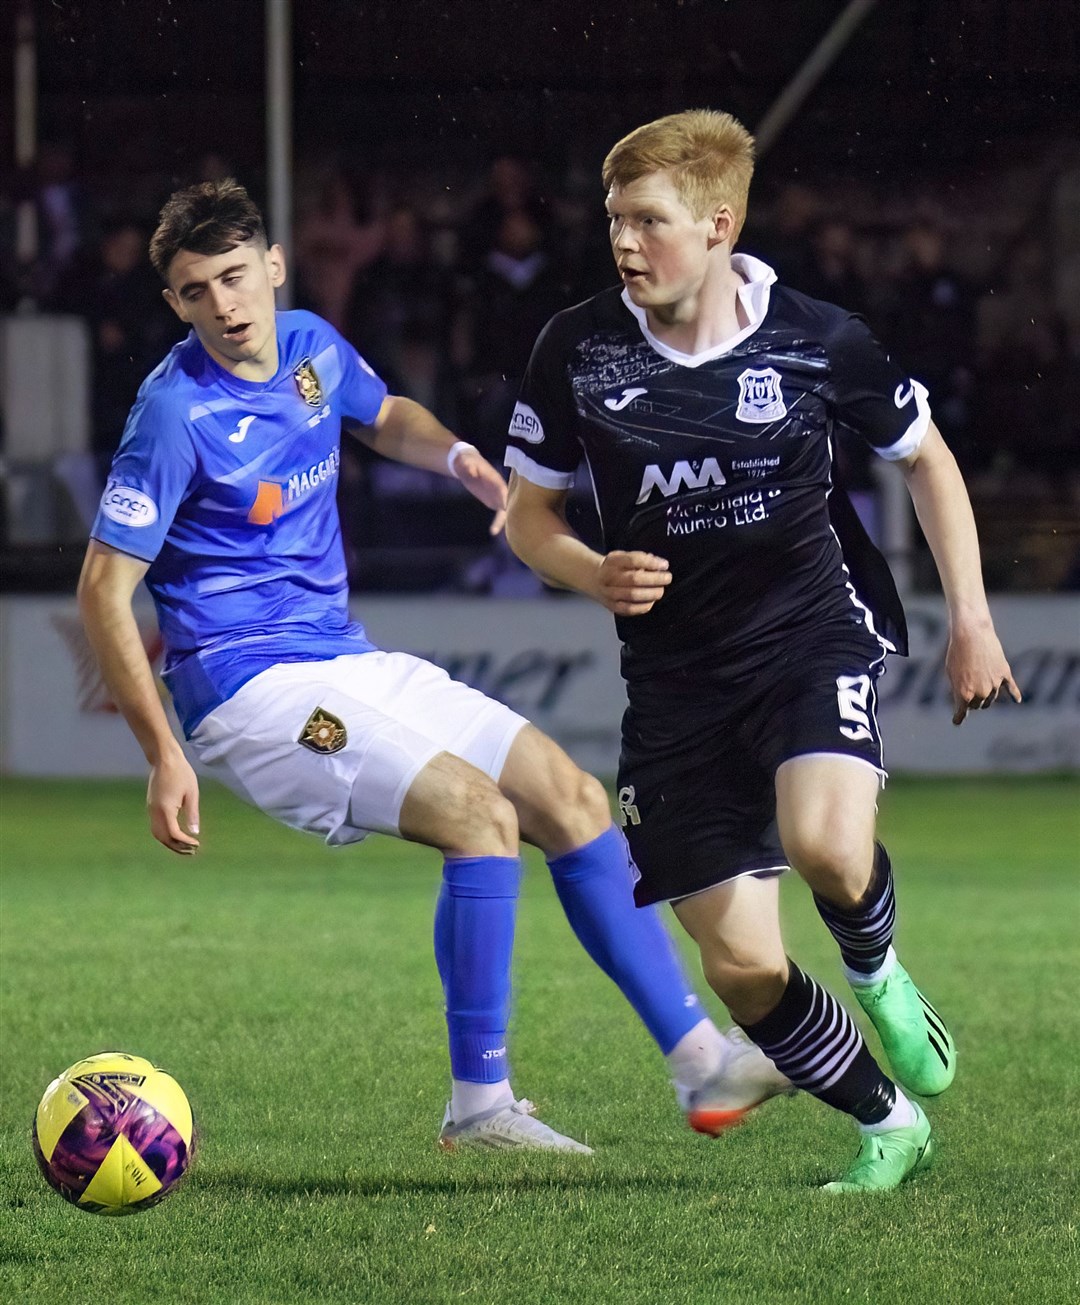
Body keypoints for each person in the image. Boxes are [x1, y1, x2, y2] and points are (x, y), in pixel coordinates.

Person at [76, 178, 790, 1155]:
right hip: (252, 696)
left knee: (570, 796)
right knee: (479, 817)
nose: (226, 305)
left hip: (342, 659)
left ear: (274, 268)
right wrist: (162, 753)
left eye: (237, 278)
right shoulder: (173, 414)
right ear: (175, 304)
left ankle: (702, 1063)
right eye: (197, 292)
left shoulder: (312, 348)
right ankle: (479, 1106)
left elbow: (382, 414)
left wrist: (458, 459)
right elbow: (103, 591)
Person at [504, 111, 1022, 1191]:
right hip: (674, 684)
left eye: (649, 221)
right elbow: (526, 517)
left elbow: (927, 461)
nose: (625, 243)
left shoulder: (817, 339)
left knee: (828, 848)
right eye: (615, 221)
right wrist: (589, 569)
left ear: (719, 225)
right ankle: (887, 1125)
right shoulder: (577, 349)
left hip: (806, 631)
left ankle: (879, 973)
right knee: (742, 970)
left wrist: (970, 615)